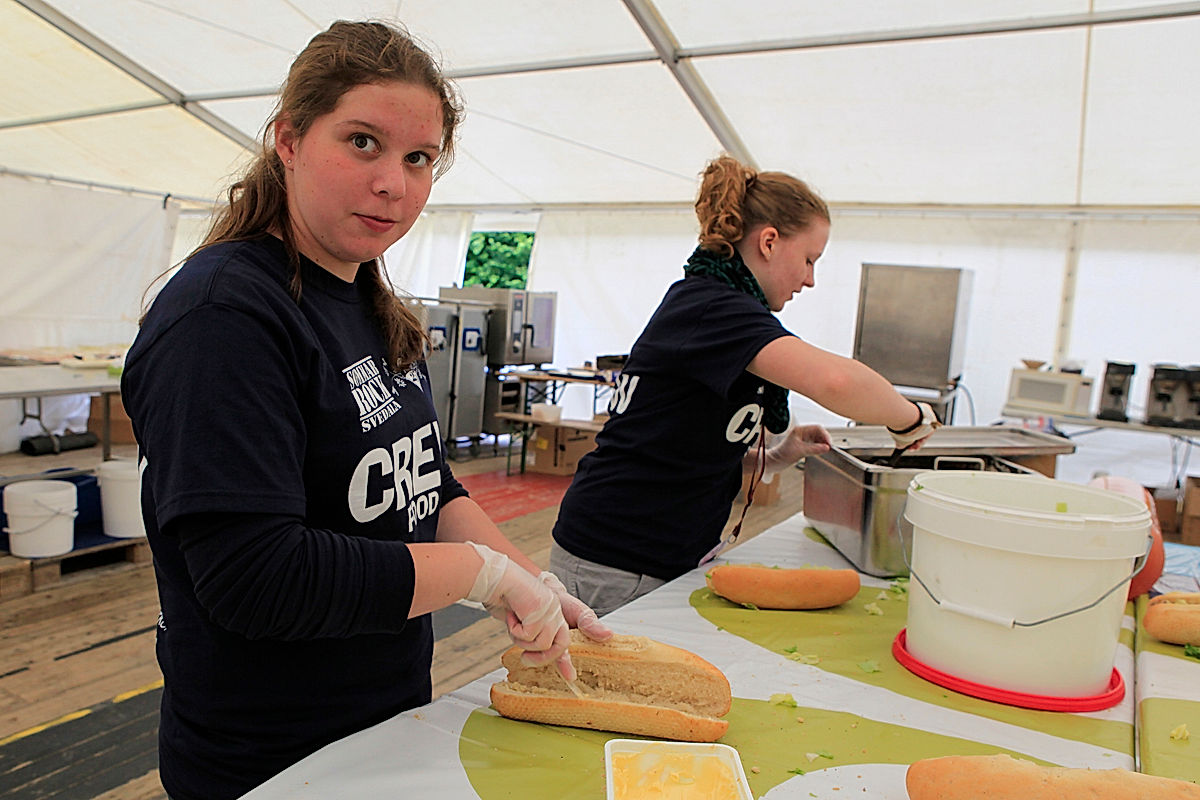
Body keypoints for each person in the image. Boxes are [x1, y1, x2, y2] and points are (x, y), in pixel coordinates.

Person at [121, 21, 608, 800]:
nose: (395, 183)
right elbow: (256, 578)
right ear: (288, 139)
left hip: (383, 726)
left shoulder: (365, 299)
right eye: (362, 143)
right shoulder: (224, 317)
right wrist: (480, 577)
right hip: (270, 759)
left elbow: (426, 484)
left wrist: (529, 581)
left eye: (419, 159)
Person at [549, 154, 939, 616]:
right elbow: (835, 381)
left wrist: (778, 457)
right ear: (769, 241)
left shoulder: (720, 308)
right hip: (615, 559)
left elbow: (687, 454)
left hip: (651, 553)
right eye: (809, 260)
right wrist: (911, 419)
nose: (810, 280)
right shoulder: (713, 308)